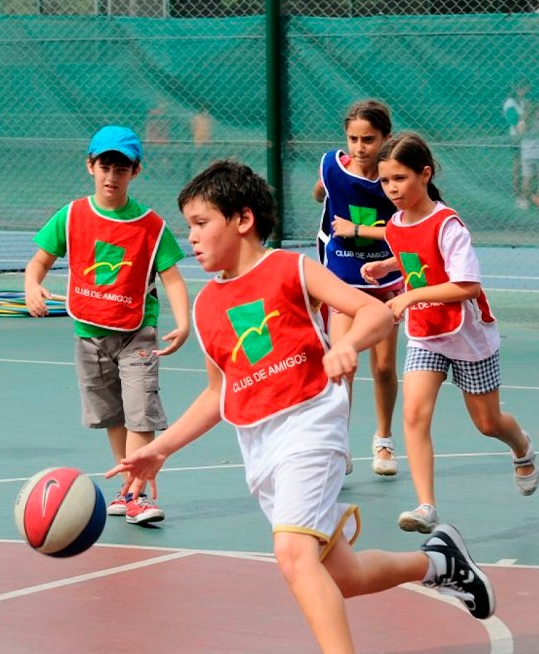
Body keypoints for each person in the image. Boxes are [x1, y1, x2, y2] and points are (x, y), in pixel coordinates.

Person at [106, 160, 495, 654]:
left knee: (292, 553)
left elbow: (374, 310)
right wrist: (160, 449)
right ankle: (441, 564)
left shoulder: (291, 268)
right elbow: (217, 393)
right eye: (189, 228)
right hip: (260, 449)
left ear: (243, 219)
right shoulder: (206, 306)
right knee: (345, 577)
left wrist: (349, 343)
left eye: (202, 224)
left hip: (311, 425)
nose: (192, 238)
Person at [361, 132, 538, 533]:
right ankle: (426, 506)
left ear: (424, 174)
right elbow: (412, 257)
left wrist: (410, 296)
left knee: (488, 423)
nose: (392, 189)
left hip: (467, 337)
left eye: (400, 179)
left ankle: (522, 448)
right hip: (426, 333)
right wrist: (388, 268)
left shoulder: (448, 225)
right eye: (386, 181)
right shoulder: (394, 224)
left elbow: (467, 285)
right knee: (413, 414)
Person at [24, 125, 190, 525]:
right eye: (105, 166)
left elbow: (171, 277)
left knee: (140, 414)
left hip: (138, 334)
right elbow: (40, 260)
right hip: (89, 335)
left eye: (121, 168)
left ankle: (137, 494)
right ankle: (127, 487)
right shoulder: (73, 215)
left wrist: (184, 322)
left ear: (136, 171)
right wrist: (32, 284)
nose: (111, 176)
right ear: (90, 166)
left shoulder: (151, 226)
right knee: (114, 416)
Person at [313, 100, 402, 476]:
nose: (359, 147)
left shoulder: (395, 179)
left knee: (382, 366)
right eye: (353, 138)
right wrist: (323, 194)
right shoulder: (333, 166)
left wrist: (358, 230)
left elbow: (413, 227)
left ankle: (383, 441)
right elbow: (323, 188)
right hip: (342, 279)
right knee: (342, 364)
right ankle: (338, 446)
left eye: (368, 139)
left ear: (385, 138)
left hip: (383, 281)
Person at [503, 79, 531, 208]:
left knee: (528, 166)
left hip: (529, 138)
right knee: (518, 165)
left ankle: (528, 193)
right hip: (516, 138)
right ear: (515, 89)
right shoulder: (510, 102)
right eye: (519, 87)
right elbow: (513, 119)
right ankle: (517, 194)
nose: (522, 90)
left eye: (524, 87)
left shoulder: (526, 102)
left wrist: (526, 119)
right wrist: (525, 118)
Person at [519, 100, 539, 209]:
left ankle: (524, 200)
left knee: (527, 178)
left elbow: (520, 134)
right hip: (537, 153)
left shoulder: (522, 122)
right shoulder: (536, 123)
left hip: (526, 153)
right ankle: (535, 198)